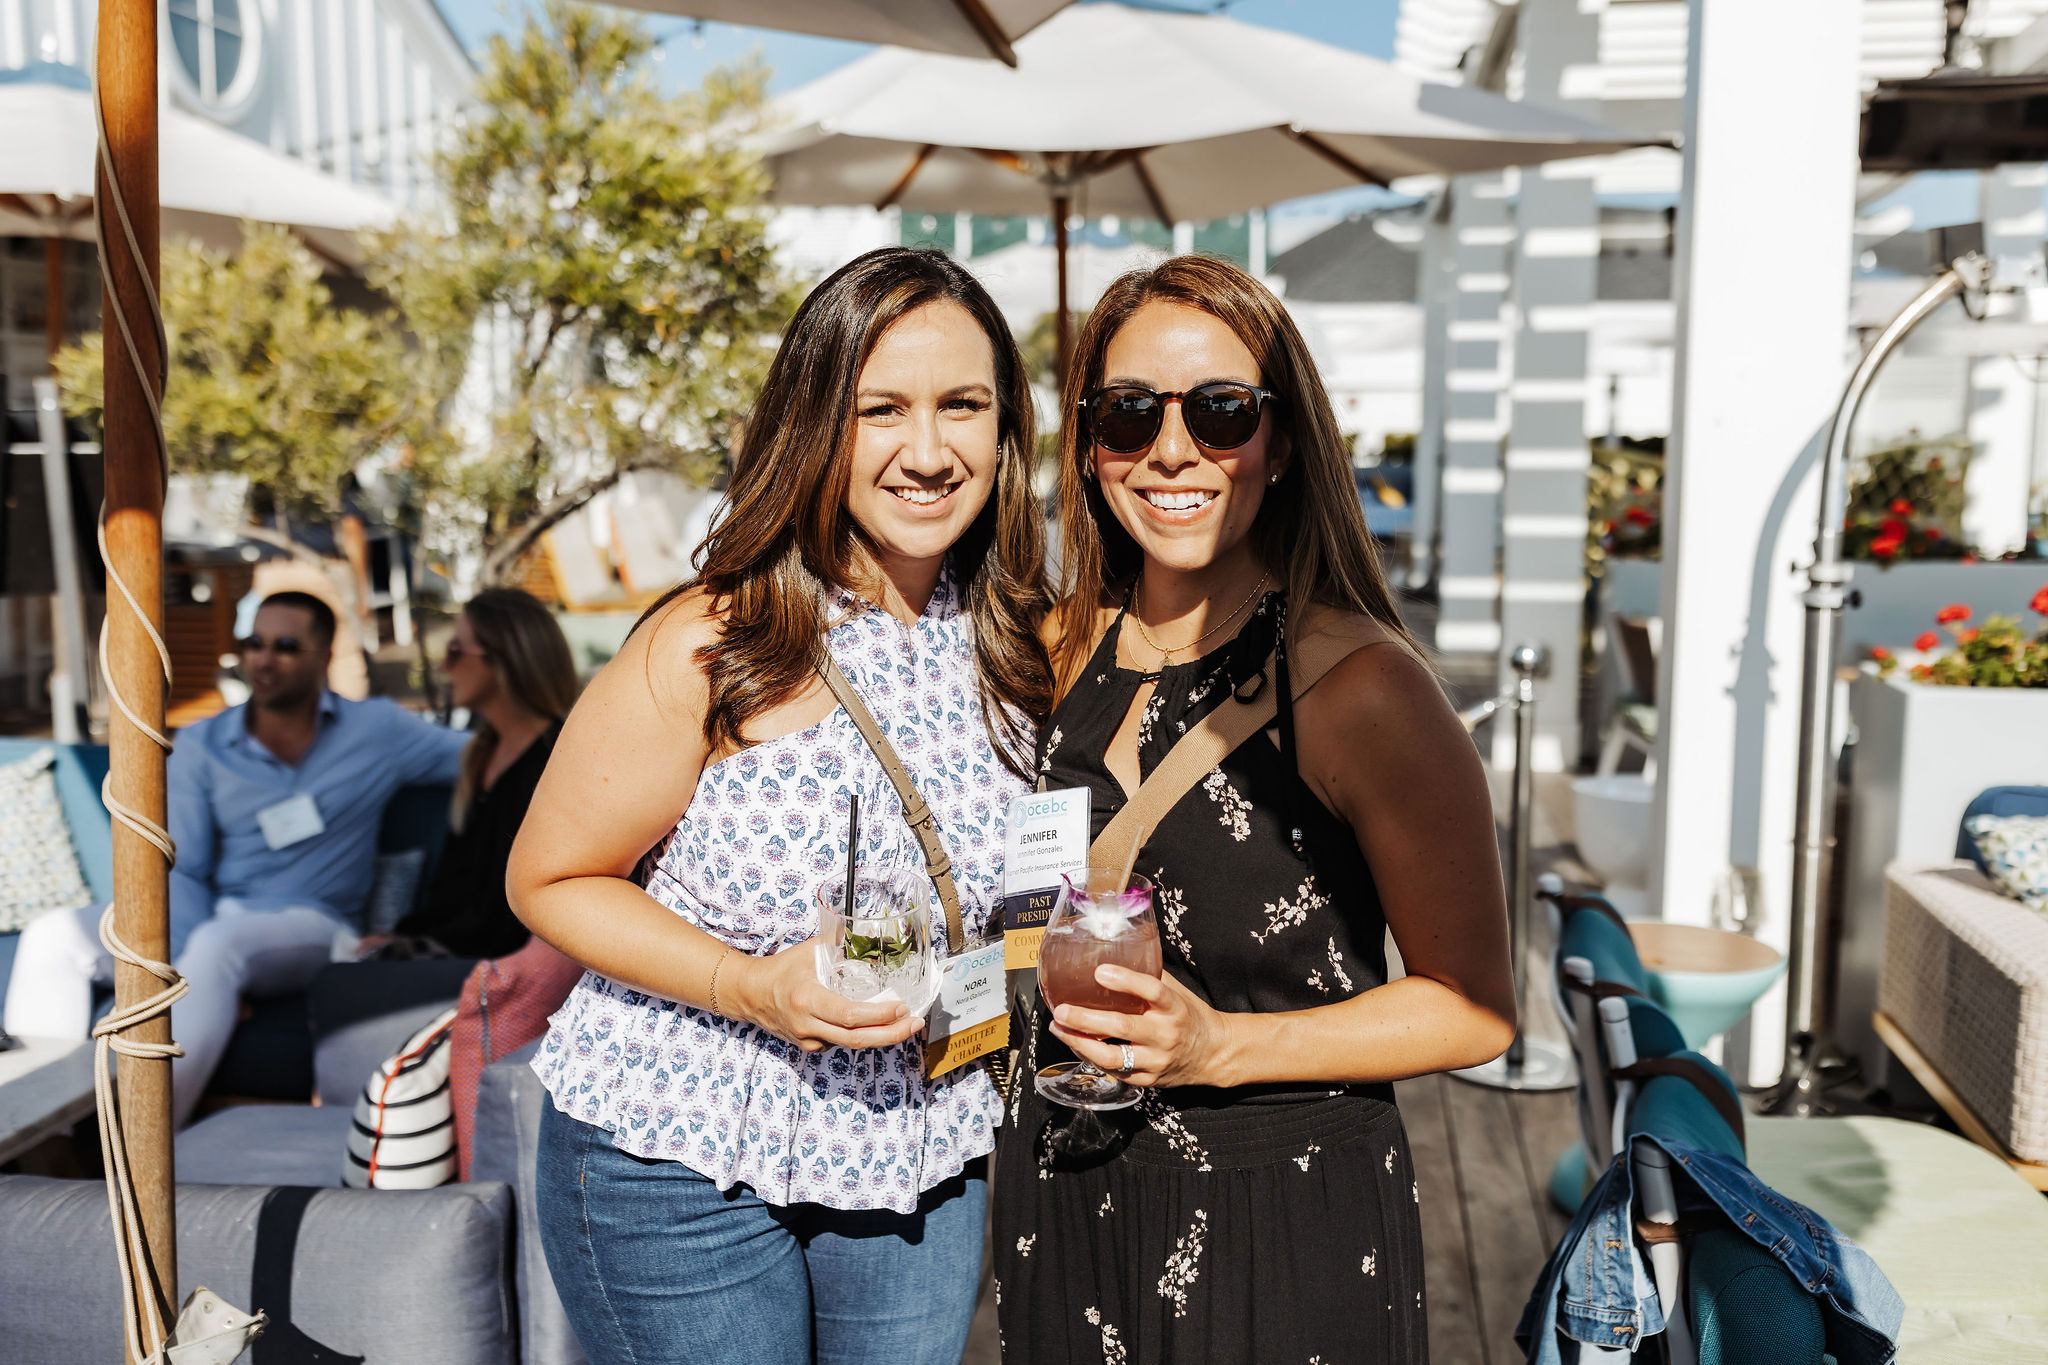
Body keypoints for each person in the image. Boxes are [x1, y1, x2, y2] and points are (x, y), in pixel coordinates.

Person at [508, 247, 1051, 1365]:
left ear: (1006, 429)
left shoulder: (1021, 641)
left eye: (962, 405)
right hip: (675, 1153)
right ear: (815, 424)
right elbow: (548, 878)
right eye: (881, 410)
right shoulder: (715, 638)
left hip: (918, 1143)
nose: (928, 452)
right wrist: (748, 985)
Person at [991, 255, 1518, 1363]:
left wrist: (1220, 1047)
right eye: (1129, 414)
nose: (1171, 449)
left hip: (1275, 1222)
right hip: (1066, 1200)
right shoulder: (1055, 648)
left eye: (1221, 411)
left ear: (1280, 443)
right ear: (1088, 447)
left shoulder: (1361, 688)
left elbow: (1473, 1011)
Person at [2, 591, 468, 1126]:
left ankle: (138, 1142)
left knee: (222, 946)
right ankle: (40, 1131)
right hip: (211, 917)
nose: (263, 659)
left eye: (285, 646)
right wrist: (178, 965)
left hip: (315, 923)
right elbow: (184, 865)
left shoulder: (378, 730)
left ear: (323, 656)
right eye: (253, 643)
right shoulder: (204, 743)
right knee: (55, 935)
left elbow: (479, 754)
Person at [363, 588, 578, 960]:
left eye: (455, 651)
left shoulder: (556, 760)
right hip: (452, 957)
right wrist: (400, 940)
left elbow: (509, 918)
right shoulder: (481, 756)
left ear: (504, 657)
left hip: (500, 968)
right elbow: (454, 892)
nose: (444, 667)